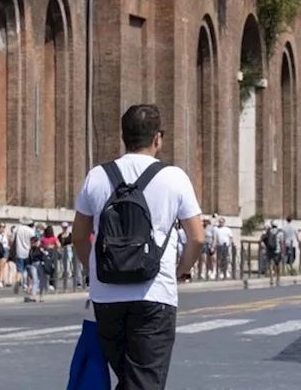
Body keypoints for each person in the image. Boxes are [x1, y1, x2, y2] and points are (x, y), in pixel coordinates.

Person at [73, 104, 204, 390]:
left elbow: (79, 237)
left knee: (129, 379)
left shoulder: (97, 176)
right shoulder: (174, 177)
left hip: (106, 295)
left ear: (124, 137)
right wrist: (182, 269)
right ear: (158, 138)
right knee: (144, 381)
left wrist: (92, 268)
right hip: (154, 292)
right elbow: (197, 238)